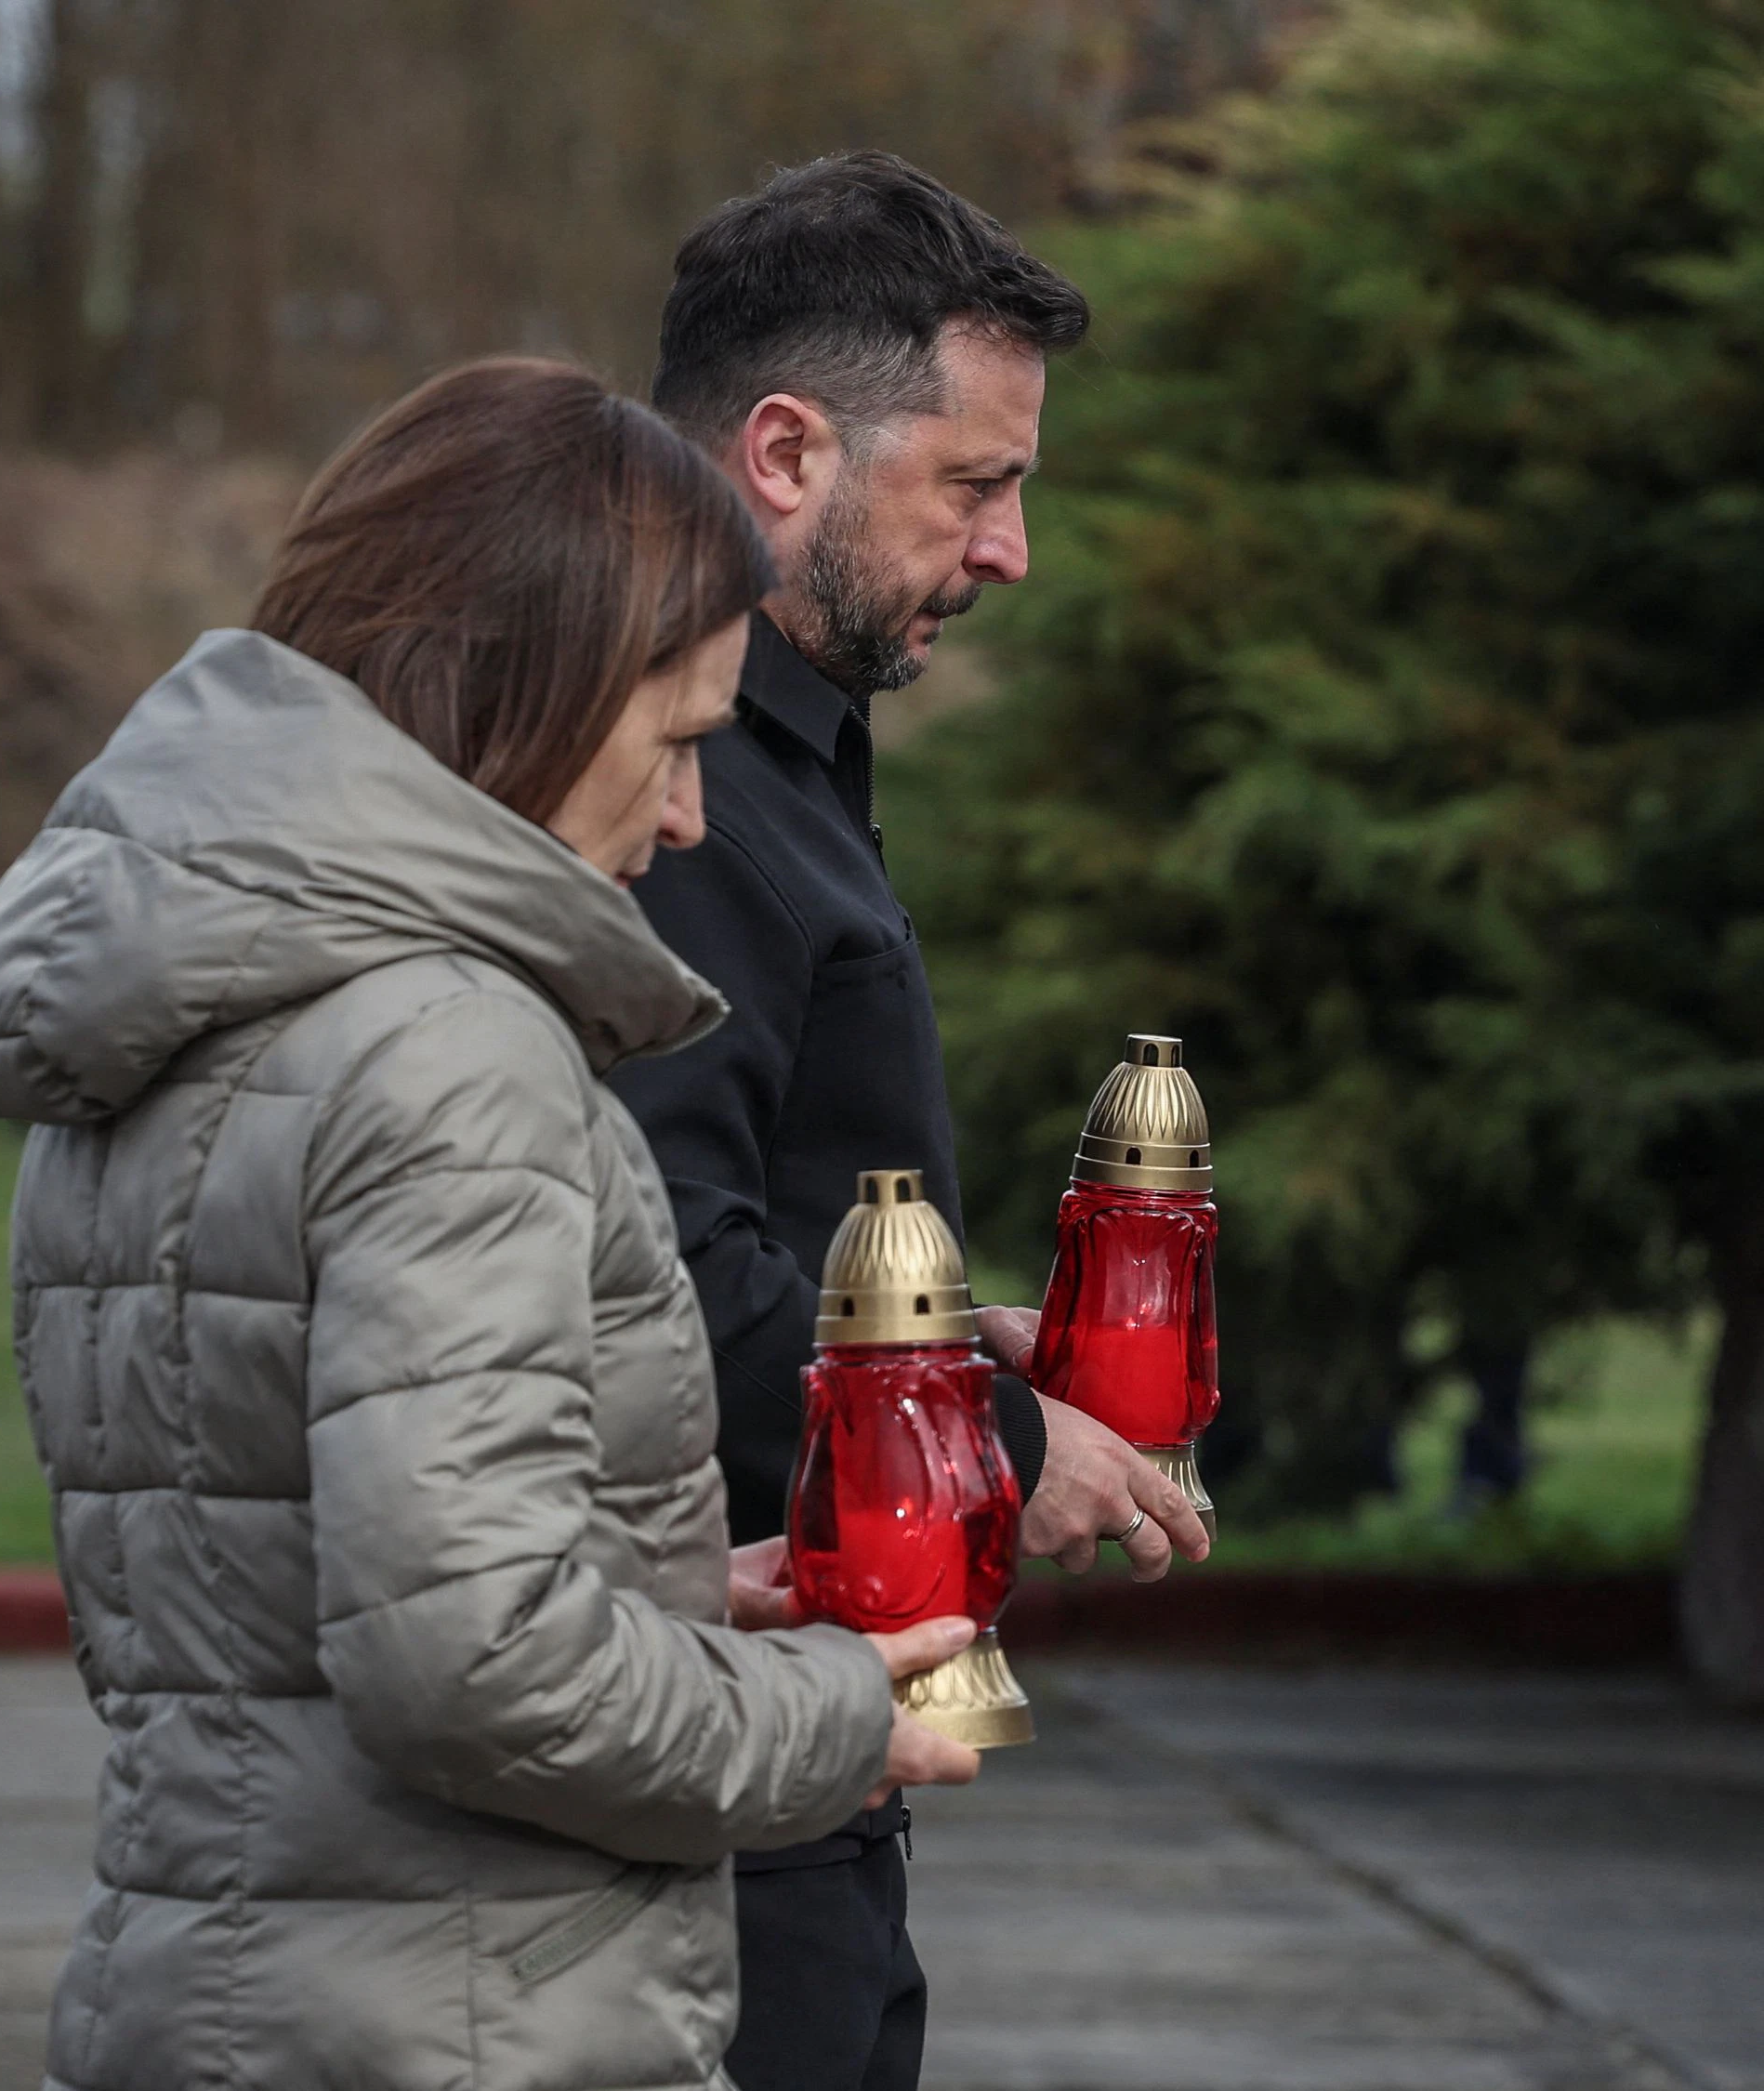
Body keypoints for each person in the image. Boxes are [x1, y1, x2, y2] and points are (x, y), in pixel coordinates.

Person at [0, 357, 985, 2091]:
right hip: (462, 2026)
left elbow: (284, 1571)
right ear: (532, 686)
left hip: (208, 2004)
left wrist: (661, 1596)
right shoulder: (446, 1048)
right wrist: (830, 1714)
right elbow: (467, 1666)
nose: (681, 820)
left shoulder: (180, 1011)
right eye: (674, 744)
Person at [611, 151, 1213, 2091]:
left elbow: (756, 1209)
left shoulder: (778, 758)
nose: (1012, 547)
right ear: (782, 452)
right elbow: (647, 1261)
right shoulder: (674, 796)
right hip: (704, 1775)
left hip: (787, 1743)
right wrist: (990, 1433)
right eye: (975, 482)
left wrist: (949, 1351)